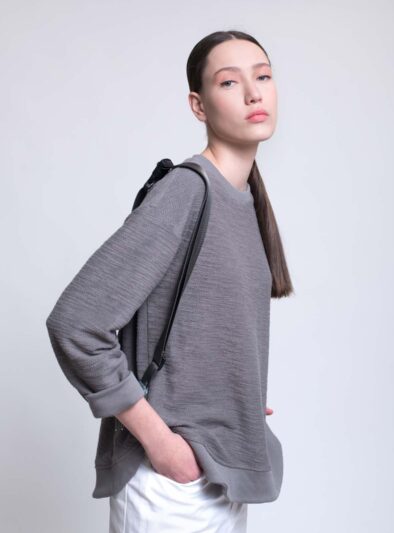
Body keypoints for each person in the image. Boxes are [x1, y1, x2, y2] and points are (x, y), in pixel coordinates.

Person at [46, 29, 293, 533]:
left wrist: (230, 395)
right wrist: (161, 444)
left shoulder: (245, 200)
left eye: (263, 76)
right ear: (198, 106)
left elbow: (204, 328)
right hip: (171, 486)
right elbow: (76, 323)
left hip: (220, 478)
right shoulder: (187, 191)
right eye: (230, 82)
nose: (253, 93)